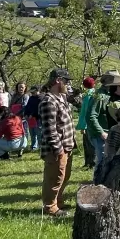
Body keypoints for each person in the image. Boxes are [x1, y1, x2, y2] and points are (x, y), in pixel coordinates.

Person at [38, 68, 77, 215]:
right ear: (58, 80)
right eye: (66, 81)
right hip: (56, 149)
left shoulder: (62, 98)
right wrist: (58, 149)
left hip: (67, 146)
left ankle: (58, 202)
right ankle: (50, 207)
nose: (68, 84)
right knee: (54, 178)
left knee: (63, 177)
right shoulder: (49, 101)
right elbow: (50, 130)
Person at [77, 77, 97, 167]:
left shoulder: (88, 96)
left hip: (87, 124)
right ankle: (89, 162)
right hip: (91, 123)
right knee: (89, 144)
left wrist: (83, 126)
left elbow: (85, 112)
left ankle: (91, 162)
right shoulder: (95, 94)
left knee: (89, 144)